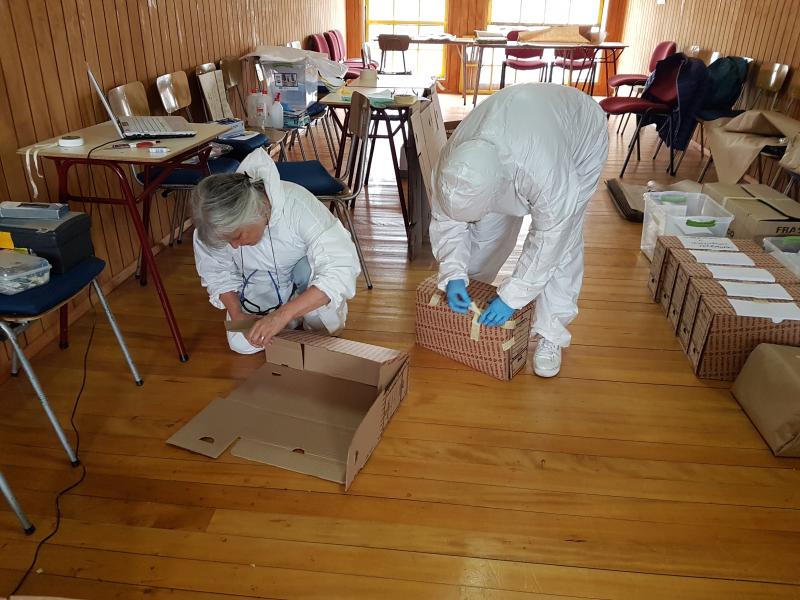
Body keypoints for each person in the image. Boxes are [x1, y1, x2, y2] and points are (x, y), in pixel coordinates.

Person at [430, 83, 608, 378]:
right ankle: (471, 303)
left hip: (578, 135)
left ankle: (551, 333)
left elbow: (551, 237)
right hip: (518, 132)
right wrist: (453, 274)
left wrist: (513, 296)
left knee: (564, 244)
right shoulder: (450, 168)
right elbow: (448, 222)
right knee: (486, 233)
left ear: (497, 189)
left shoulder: (542, 172)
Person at [191, 148, 360, 353]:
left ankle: (298, 311)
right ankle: (287, 317)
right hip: (258, 278)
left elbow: (340, 267)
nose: (233, 246)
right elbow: (216, 271)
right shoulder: (212, 222)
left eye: (237, 237)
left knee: (324, 330)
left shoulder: (298, 205)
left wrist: (282, 315)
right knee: (242, 344)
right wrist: (238, 314)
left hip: (303, 274)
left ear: (256, 213)